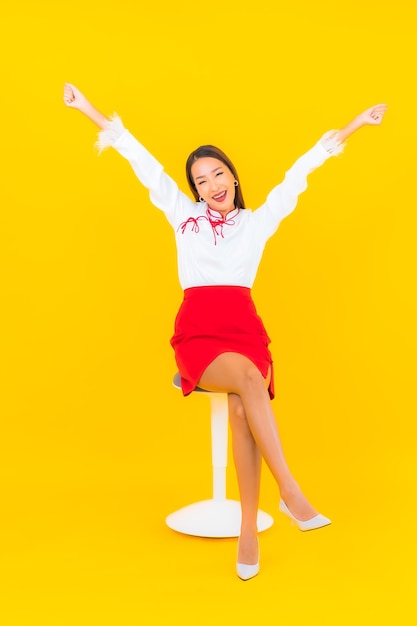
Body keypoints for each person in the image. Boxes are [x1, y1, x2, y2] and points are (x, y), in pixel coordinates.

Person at [63, 83, 387, 580]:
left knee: (241, 405)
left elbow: (296, 178)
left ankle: (248, 534)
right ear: (193, 189)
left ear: (233, 177)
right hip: (199, 335)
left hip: (246, 332)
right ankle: (292, 494)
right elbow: (141, 162)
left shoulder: (255, 224)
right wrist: (87, 110)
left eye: (218, 173)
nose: (212, 184)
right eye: (201, 179)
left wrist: (354, 126)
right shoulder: (184, 217)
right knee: (251, 385)